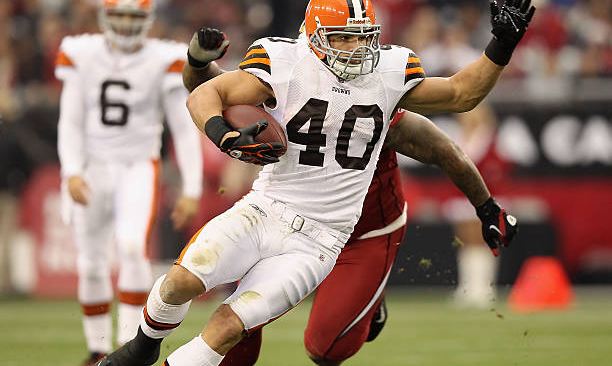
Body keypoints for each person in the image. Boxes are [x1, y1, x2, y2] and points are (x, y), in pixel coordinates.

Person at [98, 0, 533, 366]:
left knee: (235, 328)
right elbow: (207, 91)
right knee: (178, 282)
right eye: (343, 38)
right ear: (316, 36)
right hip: (266, 208)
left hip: (321, 239)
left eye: (364, 38)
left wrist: (500, 47)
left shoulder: (387, 76)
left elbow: (460, 95)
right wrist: (224, 136)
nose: (356, 48)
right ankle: (142, 346)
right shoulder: (285, 63)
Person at [181, 27, 515, 365]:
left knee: (325, 349)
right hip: (287, 220)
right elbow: (218, 92)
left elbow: (449, 139)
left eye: (359, 39)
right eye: (342, 39)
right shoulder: (288, 81)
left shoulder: (380, 100)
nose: (351, 53)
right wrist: (197, 62)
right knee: (236, 335)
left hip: (363, 233)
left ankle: (367, 297)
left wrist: (486, 207)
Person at [56, 0, 203, 366]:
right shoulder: (81, 52)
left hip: (139, 164)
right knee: (90, 260)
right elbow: (69, 121)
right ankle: (97, 347)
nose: (124, 24)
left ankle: (126, 346)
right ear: (105, 15)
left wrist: (191, 186)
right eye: (118, 15)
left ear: (148, 17)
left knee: (133, 247)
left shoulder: (162, 58)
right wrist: (70, 170)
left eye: (132, 16)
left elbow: (183, 127)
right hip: (92, 165)